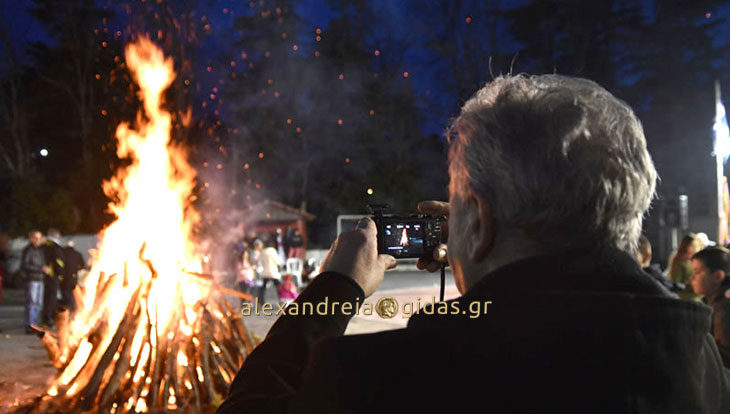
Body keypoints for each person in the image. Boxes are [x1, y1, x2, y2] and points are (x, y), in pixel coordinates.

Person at [218, 75, 730, 413]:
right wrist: (479, 260)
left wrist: (335, 288)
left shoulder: (388, 378)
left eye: (459, 203)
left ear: (481, 218)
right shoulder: (699, 359)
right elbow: (553, 315)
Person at [691, 246, 730, 367]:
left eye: (697, 272)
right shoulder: (714, 303)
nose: (692, 278)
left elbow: (724, 355)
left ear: (717, 276)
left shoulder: (723, 309)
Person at [20, 230, 47, 333]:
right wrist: (40, 268)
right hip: (32, 279)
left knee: (38, 304)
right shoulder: (28, 250)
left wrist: (44, 269)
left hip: (40, 279)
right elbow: (25, 265)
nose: (38, 240)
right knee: (32, 303)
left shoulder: (40, 250)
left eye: (39, 238)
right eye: (35, 238)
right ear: (31, 238)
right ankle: (30, 326)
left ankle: (34, 324)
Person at [668, 233, 702, 299]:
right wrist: (692, 286)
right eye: (696, 246)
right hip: (686, 298)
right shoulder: (678, 261)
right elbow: (676, 283)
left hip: (696, 297)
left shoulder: (694, 259)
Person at [61, 240, 84, 314]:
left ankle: (70, 309)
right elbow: (82, 266)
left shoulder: (62, 253)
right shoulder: (77, 254)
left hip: (64, 278)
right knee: (72, 294)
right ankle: (73, 309)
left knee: (66, 295)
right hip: (74, 278)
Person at [257, 239, 283, 304]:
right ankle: (281, 299)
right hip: (273, 272)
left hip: (265, 272)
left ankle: (261, 301)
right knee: (278, 287)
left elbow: (259, 262)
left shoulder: (263, 252)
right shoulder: (273, 251)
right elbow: (278, 261)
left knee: (263, 288)